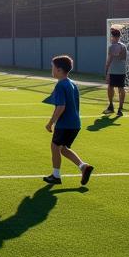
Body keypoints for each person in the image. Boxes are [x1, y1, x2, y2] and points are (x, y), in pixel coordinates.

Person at [43, 54, 94, 186]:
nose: (52, 70)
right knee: (63, 148)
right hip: (75, 123)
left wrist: (50, 123)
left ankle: (55, 176)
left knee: (55, 147)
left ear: (59, 70)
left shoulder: (61, 85)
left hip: (65, 124)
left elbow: (61, 106)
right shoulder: (72, 83)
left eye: (52, 68)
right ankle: (84, 166)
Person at [104, 26, 128, 116]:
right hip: (122, 71)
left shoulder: (112, 47)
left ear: (113, 37)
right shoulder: (123, 46)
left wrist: (106, 71)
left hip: (114, 71)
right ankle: (120, 109)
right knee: (120, 88)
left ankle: (111, 107)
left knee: (111, 87)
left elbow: (109, 60)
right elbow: (122, 58)